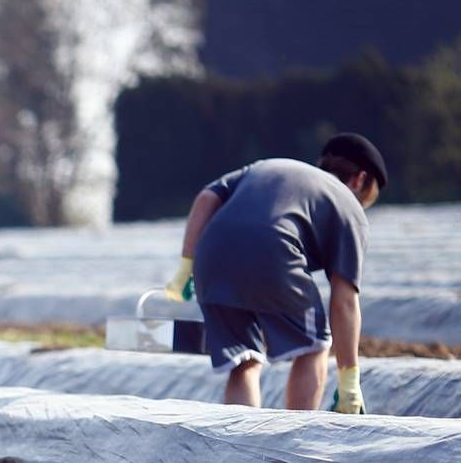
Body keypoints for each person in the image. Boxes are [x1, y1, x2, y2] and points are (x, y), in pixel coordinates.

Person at [164, 133, 384, 414]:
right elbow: (344, 302)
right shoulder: (348, 206)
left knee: (244, 359)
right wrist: (349, 382)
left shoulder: (268, 167)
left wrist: (186, 266)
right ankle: (291, 438)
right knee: (313, 345)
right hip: (273, 250)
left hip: (211, 255)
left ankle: (241, 442)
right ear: (360, 180)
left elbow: (207, 197)